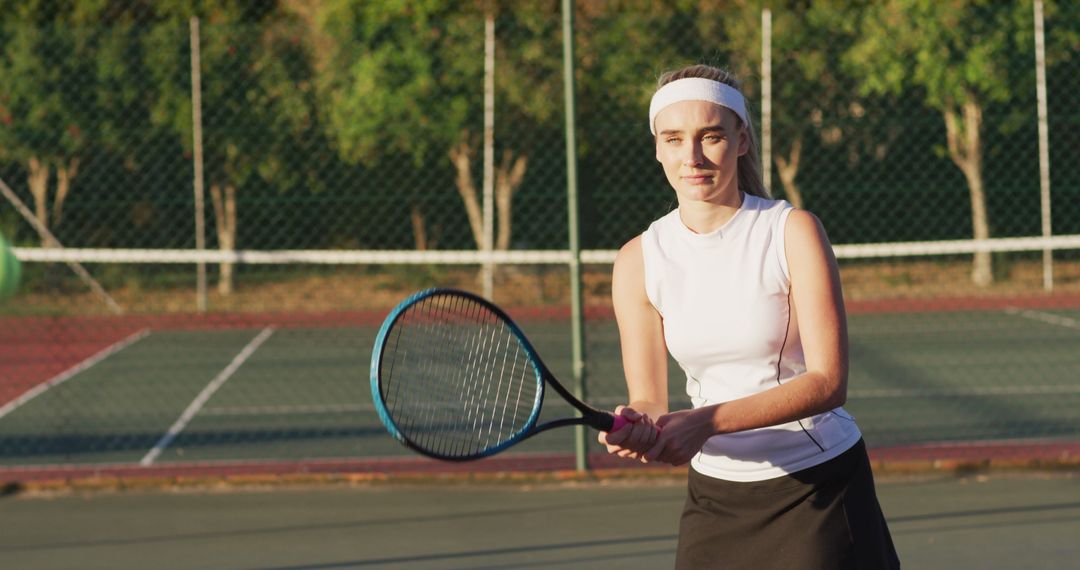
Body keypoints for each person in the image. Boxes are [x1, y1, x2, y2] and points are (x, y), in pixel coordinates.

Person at [599, 64, 900, 569]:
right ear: (657, 147)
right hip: (715, 496)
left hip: (817, 488)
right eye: (673, 139)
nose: (691, 157)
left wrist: (706, 422)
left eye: (710, 136)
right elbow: (648, 397)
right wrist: (637, 425)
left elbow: (829, 382)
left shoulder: (792, 232)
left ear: (741, 140)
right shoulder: (637, 260)